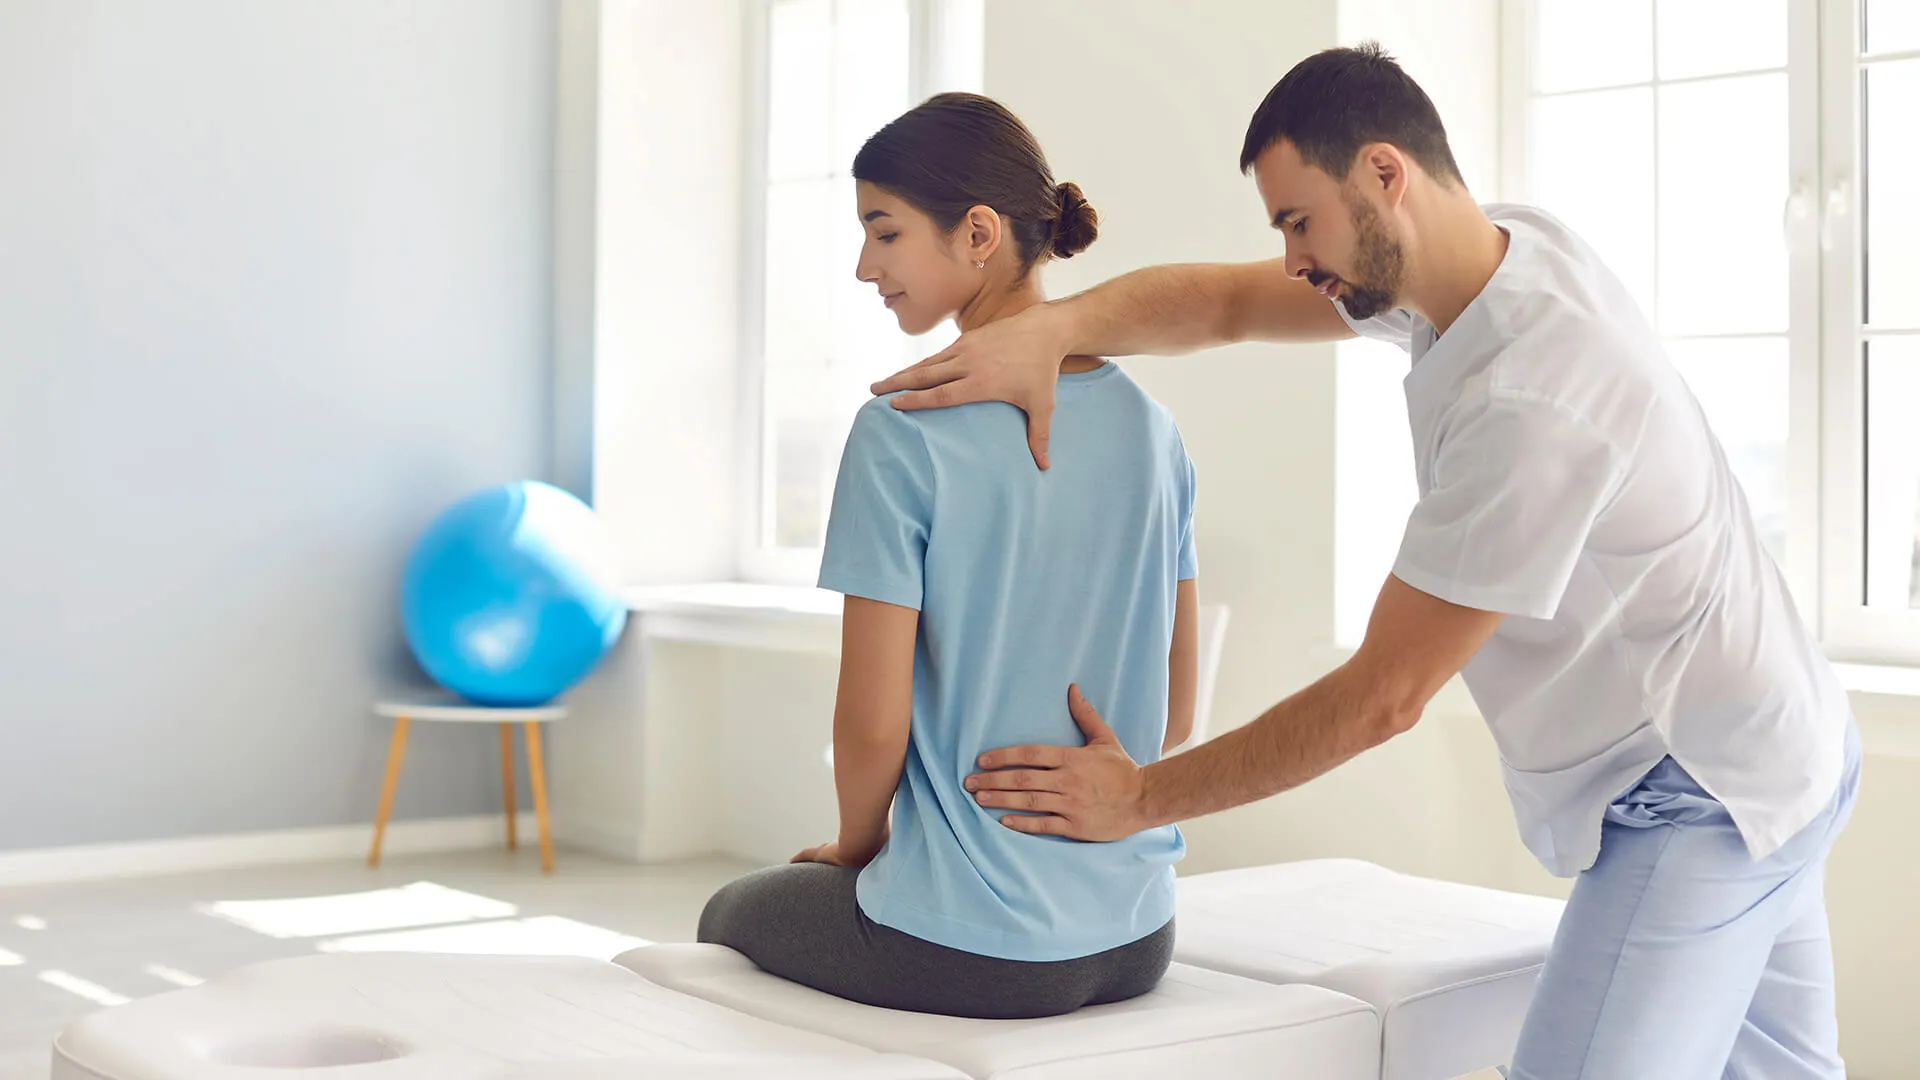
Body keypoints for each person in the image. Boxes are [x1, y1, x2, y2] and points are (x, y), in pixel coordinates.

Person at [874, 44, 1861, 1080]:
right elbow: (1226, 304)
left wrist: (1139, 798)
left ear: (1386, 175)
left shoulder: (1533, 396)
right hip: (1783, 729)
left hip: (1704, 784)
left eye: (1300, 220)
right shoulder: (1497, 254)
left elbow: (1385, 697)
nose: (1294, 257)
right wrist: (1056, 328)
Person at [695, 92, 1200, 1020]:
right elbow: (1178, 700)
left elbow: (873, 720)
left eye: (883, 233)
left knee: (728, 911)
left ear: (977, 234)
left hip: (970, 948)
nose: (862, 266)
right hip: (1139, 933)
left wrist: (854, 847)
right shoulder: (1154, 430)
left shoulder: (902, 431)